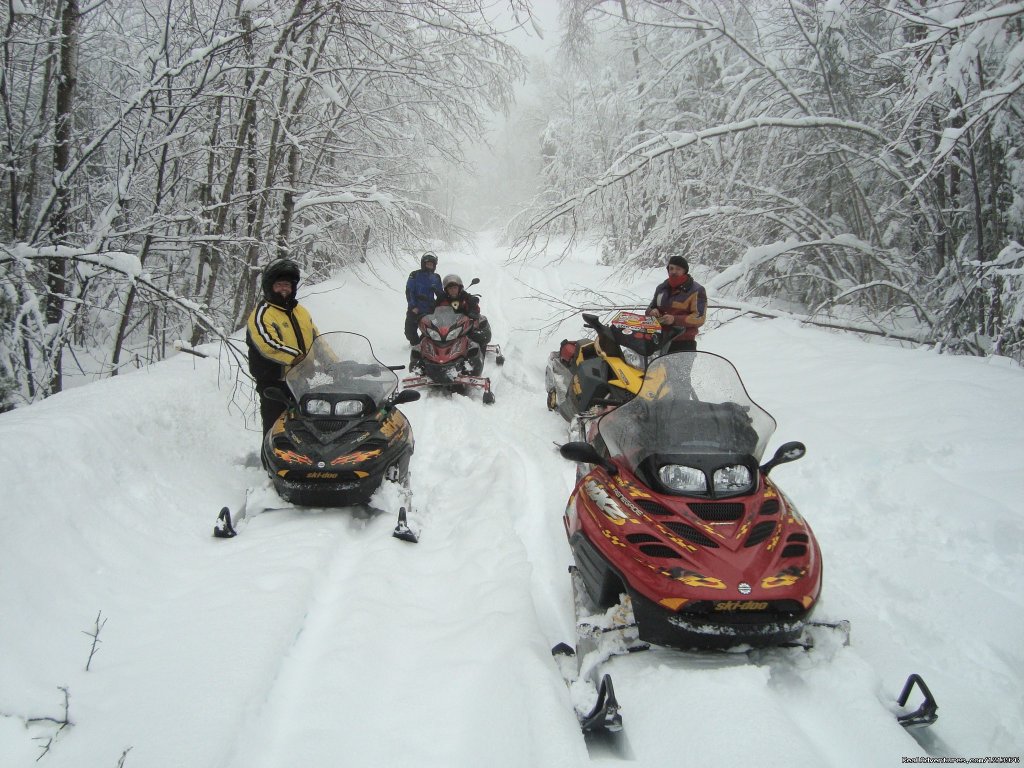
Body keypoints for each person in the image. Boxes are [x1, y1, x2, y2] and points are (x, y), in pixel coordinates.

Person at [247, 258, 319, 436]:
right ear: (270, 286)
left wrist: (335, 364)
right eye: (279, 285)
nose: (284, 289)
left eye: (287, 284)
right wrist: (297, 358)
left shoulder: (300, 312)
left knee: (306, 427)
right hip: (274, 383)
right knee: (276, 430)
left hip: (300, 380)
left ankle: (303, 462)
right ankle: (269, 462)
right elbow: (269, 344)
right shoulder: (262, 314)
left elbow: (317, 341)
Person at [645, 255, 707, 351]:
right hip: (659, 339)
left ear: (685, 271)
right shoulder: (661, 288)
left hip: (683, 343)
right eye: (671, 268)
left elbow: (699, 318)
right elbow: (650, 308)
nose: (674, 271)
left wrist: (674, 319)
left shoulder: (697, 290)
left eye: (678, 269)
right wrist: (652, 311)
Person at [438, 273, 491, 347]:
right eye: (450, 288)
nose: (452, 290)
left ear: (459, 288)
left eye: (454, 288)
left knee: (480, 335)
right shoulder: (443, 300)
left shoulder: (465, 297)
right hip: (448, 328)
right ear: (446, 290)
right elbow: (435, 311)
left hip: (465, 326)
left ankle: (480, 353)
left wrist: (473, 307)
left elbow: (476, 310)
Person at [404, 252, 443, 344]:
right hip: (415, 308)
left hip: (430, 308)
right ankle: (415, 344)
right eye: (427, 264)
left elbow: (441, 293)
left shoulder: (436, 277)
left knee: (433, 331)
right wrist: (413, 306)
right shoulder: (414, 275)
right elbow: (409, 291)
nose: (429, 266)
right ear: (423, 264)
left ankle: (427, 345)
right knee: (409, 332)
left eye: (431, 264)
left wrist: (439, 298)